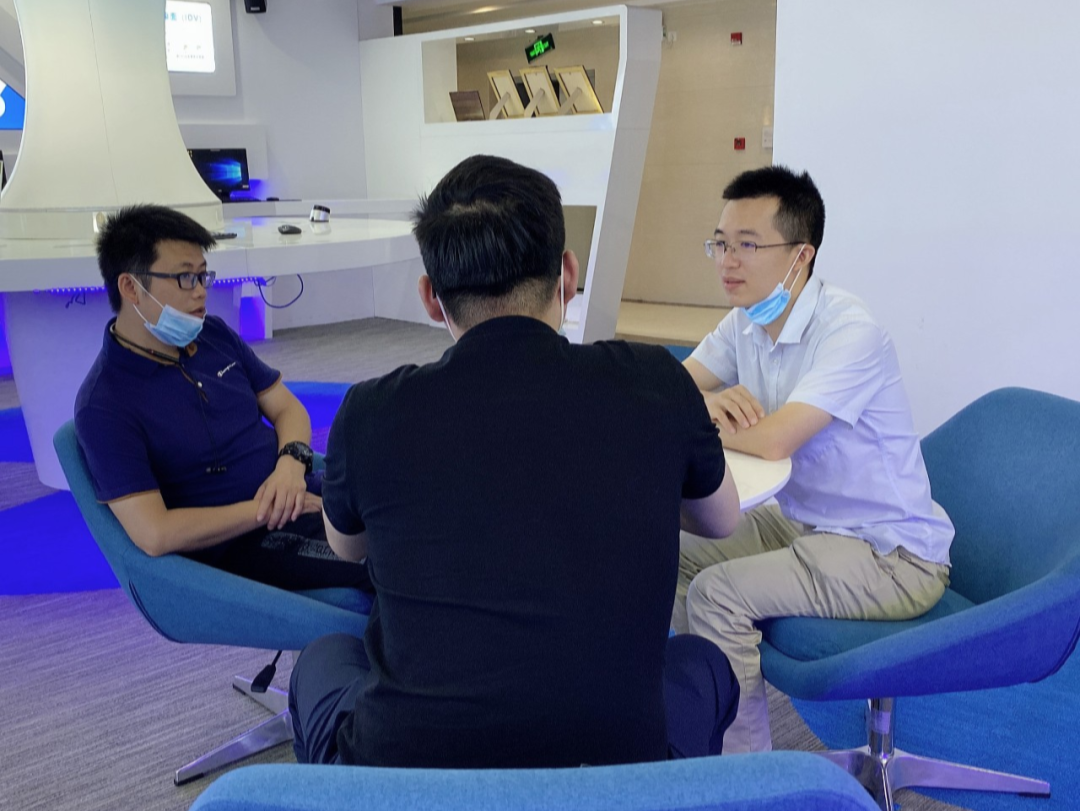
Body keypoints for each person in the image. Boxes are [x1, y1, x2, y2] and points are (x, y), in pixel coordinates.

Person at [288, 154, 743, 769]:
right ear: (568, 275)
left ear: (430, 297)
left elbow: (348, 548)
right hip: (615, 765)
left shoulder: (371, 409)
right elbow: (721, 519)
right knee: (702, 663)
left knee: (325, 657)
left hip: (405, 772)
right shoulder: (656, 380)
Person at [674, 165, 954, 753]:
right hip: (803, 522)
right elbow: (672, 389)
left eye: (748, 245)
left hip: (889, 553)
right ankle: (698, 734)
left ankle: (746, 780)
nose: (727, 261)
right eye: (720, 243)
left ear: (801, 256)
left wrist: (703, 416)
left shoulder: (850, 332)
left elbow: (774, 440)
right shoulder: (745, 321)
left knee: (717, 593)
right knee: (668, 550)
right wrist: (704, 403)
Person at [74, 204, 370, 592]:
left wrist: (290, 465)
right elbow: (155, 533)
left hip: (298, 490)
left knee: (419, 511)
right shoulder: (104, 403)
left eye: (203, 276)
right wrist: (265, 509)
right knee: (395, 562)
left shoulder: (212, 334)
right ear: (131, 288)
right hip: (242, 541)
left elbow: (287, 408)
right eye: (185, 278)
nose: (201, 292)